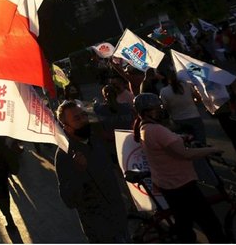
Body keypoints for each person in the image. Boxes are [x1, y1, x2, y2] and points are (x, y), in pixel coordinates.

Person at [133, 93, 227, 243]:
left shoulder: (144, 127)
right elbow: (185, 154)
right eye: (157, 108)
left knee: (184, 224)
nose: (160, 110)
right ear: (146, 112)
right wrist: (212, 150)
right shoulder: (157, 130)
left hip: (168, 184)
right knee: (211, 225)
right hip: (181, 184)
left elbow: (167, 144)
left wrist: (179, 138)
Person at [55, 100, 129, 243]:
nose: (84, 120)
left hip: (119, 218)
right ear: (66, 127)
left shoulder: (95, 139)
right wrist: (80, 171)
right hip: (100, 229)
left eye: (84, 115)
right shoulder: (64, 155)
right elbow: (69, 200)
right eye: (77, 118)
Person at [159, 71, 207, 145]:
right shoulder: (187, 85)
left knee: (185, 143)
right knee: (200, 142)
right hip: (194, 117)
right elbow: (198, 98)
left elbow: (165, 107)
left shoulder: (164, 91)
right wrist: (193, 104)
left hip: (177, 120)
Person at [93, 84, 135, 150]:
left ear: (104, 96)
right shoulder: (126, 107)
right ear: (116, 94)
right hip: (128, 141)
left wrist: (96, 101)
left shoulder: (100, 109)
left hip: (111, 144)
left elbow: (95, 107)